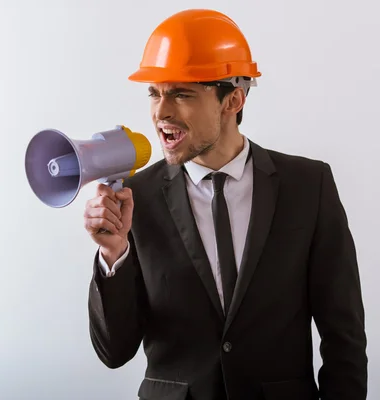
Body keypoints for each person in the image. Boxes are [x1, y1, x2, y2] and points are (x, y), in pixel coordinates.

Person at [84, 9, 367, 400]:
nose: (160, 111)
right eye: (154, 92)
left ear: (232, 99)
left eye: (181, 93)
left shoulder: (308, 186)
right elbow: (114, 353)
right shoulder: (136, 198)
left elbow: (345, 336)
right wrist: (112, 253)